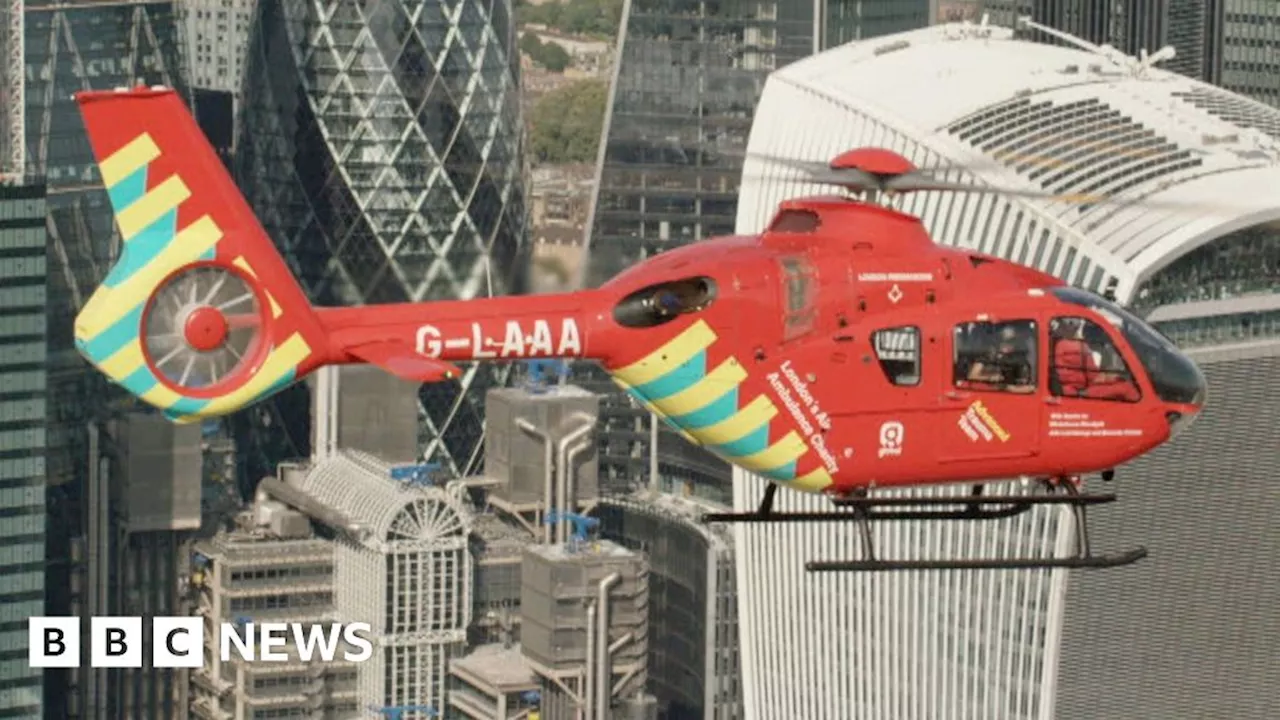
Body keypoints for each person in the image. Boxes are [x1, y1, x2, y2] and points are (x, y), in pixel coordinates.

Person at [1051, 318, 1139, 401]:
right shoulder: (1079, 347)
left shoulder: (1054, 343)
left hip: (1064, 389)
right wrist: (1114, 378)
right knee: (1126, 388)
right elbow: (1093, 378)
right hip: (1078, 392)